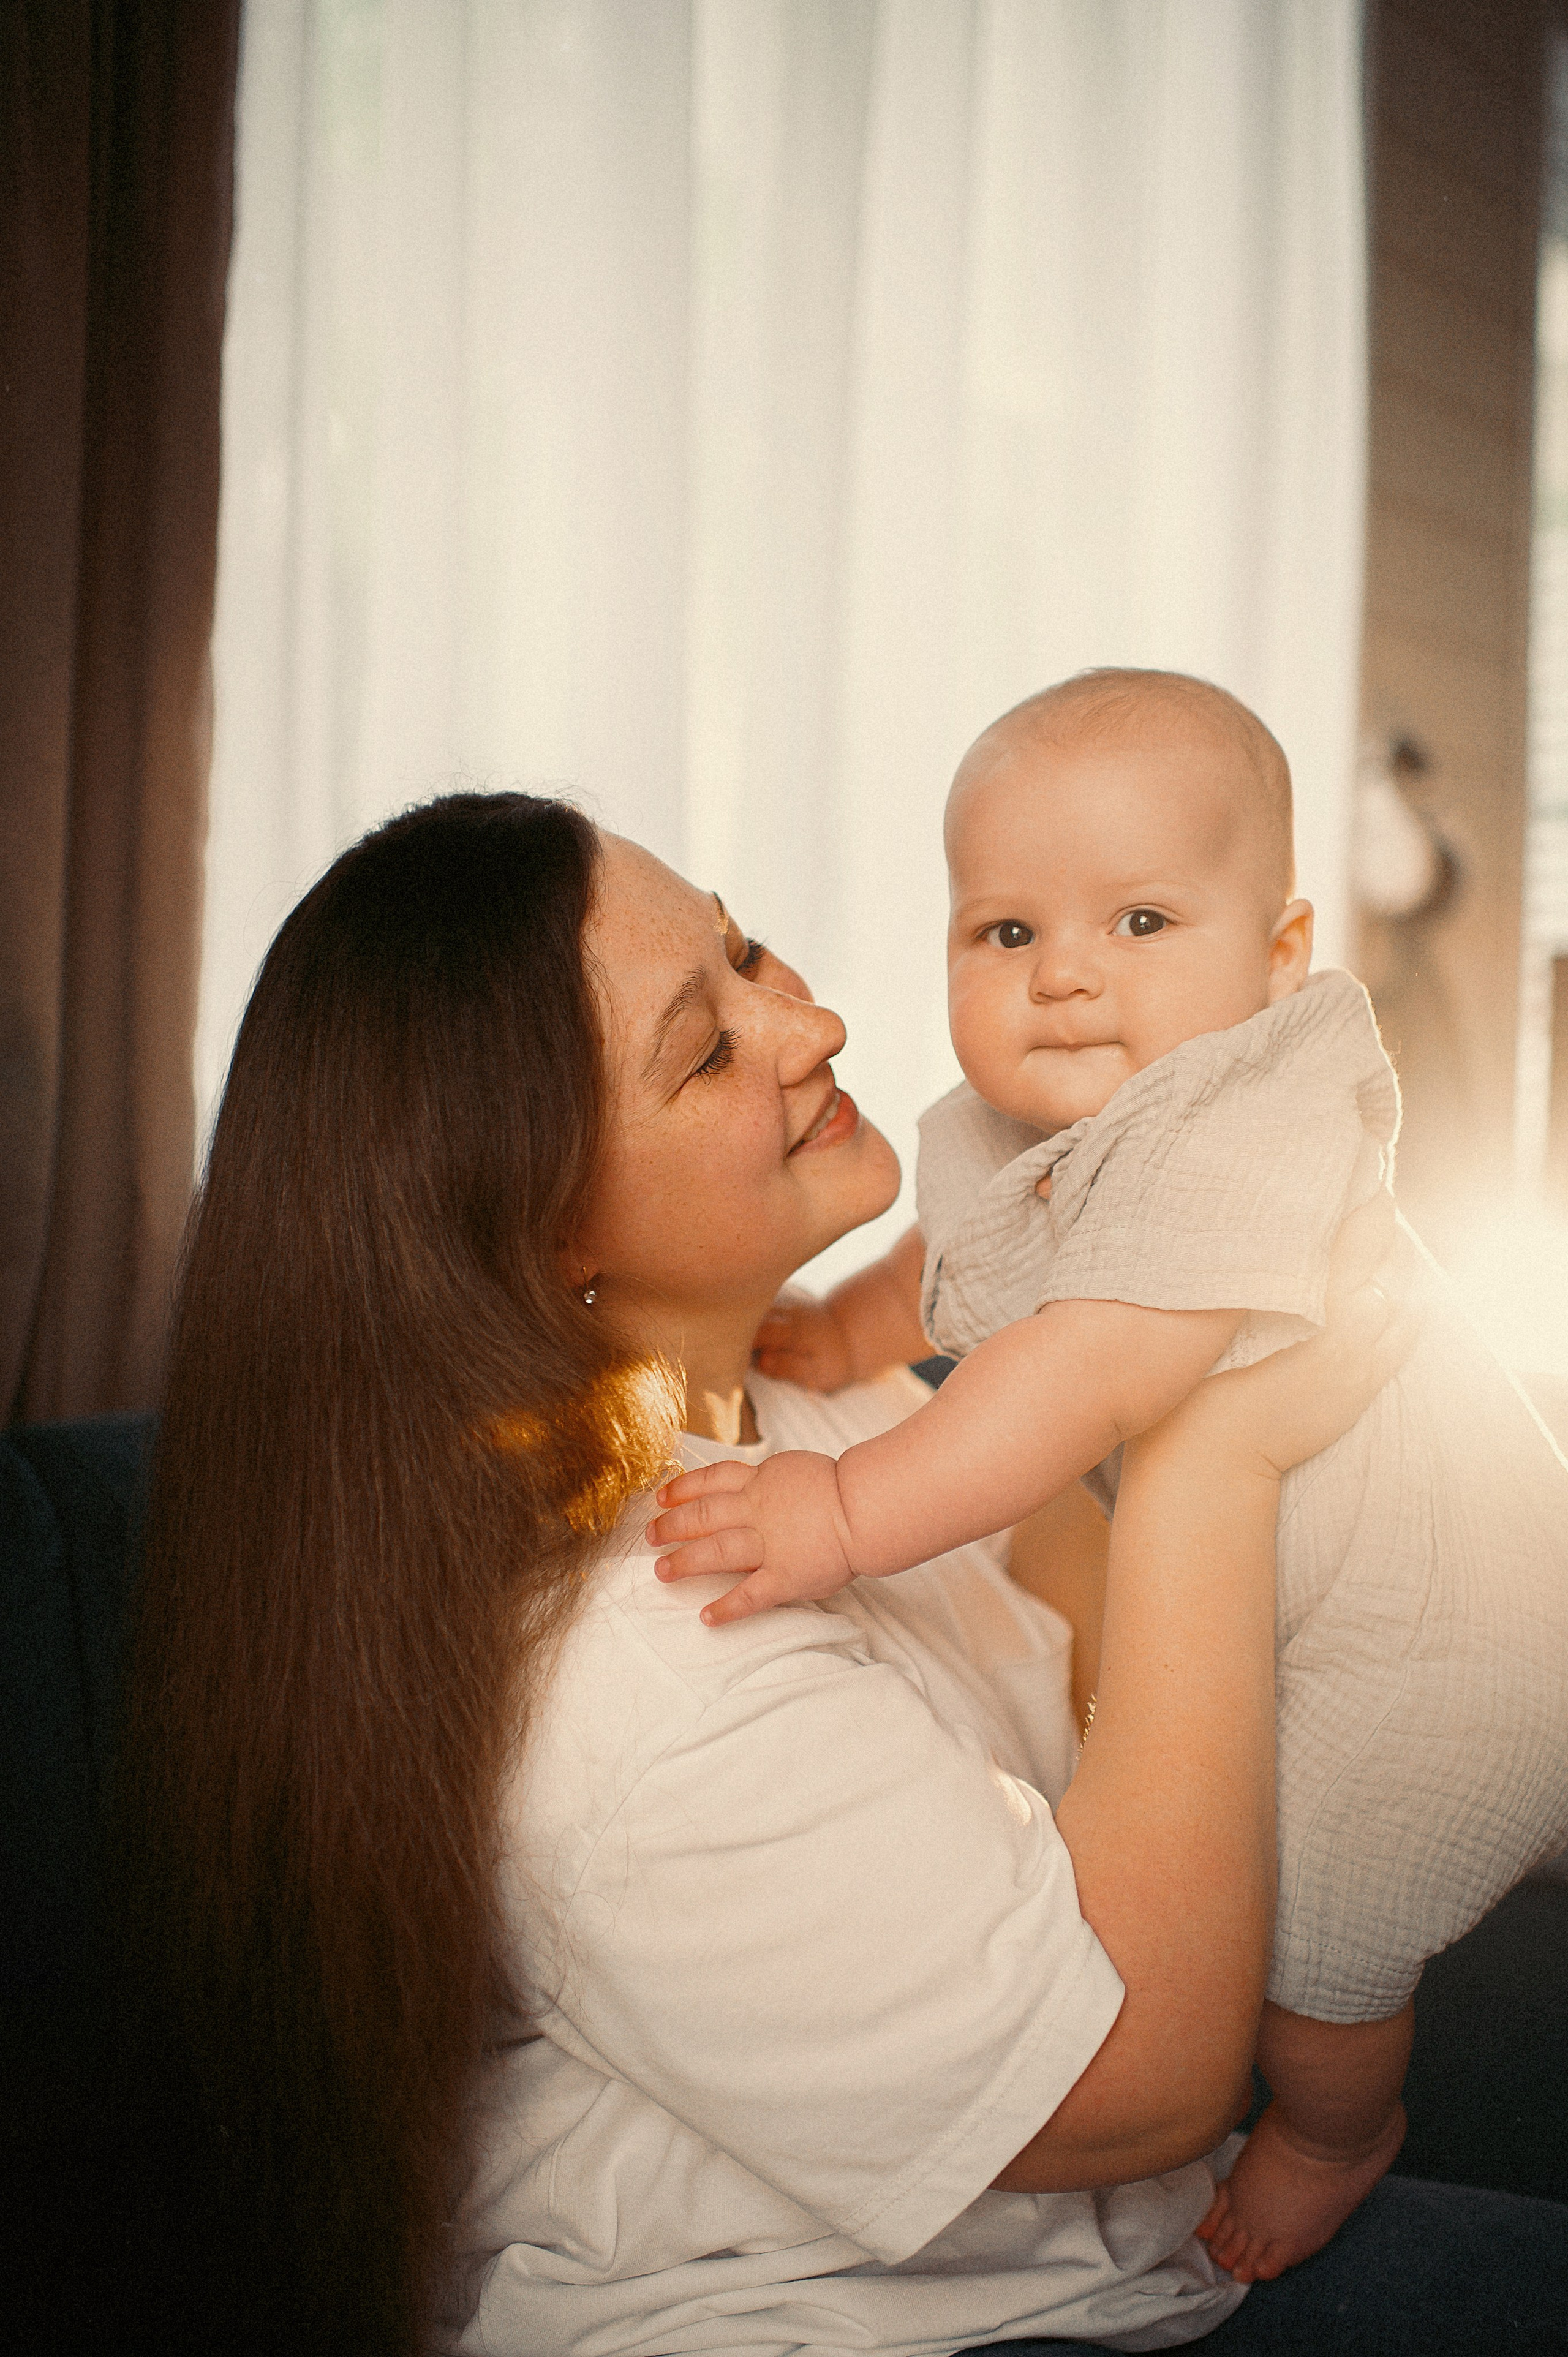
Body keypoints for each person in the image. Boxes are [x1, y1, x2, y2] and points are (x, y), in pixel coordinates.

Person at [109, 793, 1567, 2357]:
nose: (815, 1022)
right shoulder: (645, 1660)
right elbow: (1139, 2082)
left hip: (1128, 2259)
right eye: (707, 1046)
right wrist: (1214, 1450)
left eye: (746, 950)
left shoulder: (786, 1402)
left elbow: (1089, 1635)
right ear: (543, 1234)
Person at [650, 669, 1568, 2284]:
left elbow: (1092, 1366)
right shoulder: (1063, 1111)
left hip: (1443, 1638)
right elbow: (987, 1239)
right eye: (1008, 934)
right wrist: (859, 1316)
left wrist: (847, 1513)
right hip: (1304, 1590)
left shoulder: (1251, 1115)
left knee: (1315, 1937)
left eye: (1141, 924)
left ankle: (1339, 2133)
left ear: (1278, 960)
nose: (1066, 979)